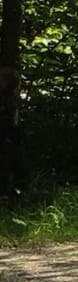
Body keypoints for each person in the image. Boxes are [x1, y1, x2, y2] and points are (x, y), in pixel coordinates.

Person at [0, 66, 23, 206]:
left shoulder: (8, 100)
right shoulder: (10, 99)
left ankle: (5, 196)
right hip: (8, 138)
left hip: (6, 138)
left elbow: (10, 123)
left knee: (5, 167)